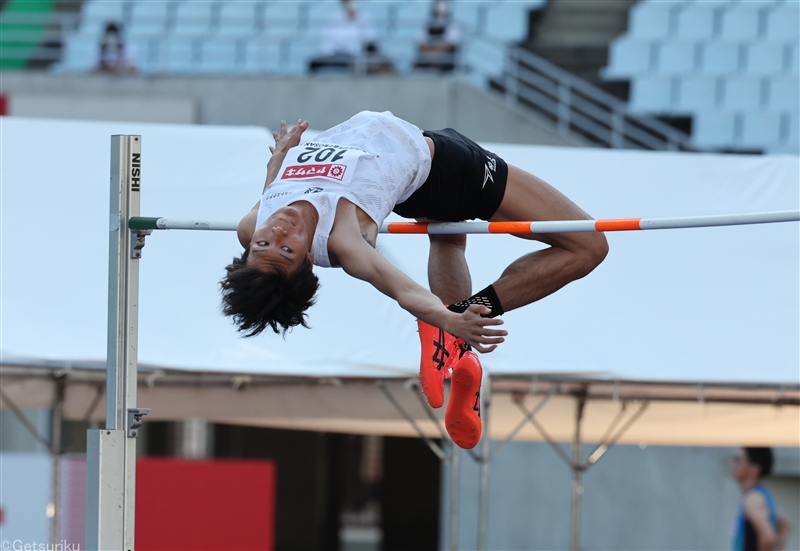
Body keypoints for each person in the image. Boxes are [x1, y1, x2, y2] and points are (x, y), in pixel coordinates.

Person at [221, 111, 608, 447]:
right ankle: (456, 332)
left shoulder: (251, 225)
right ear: (308, 260)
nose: (278, 230)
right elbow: (402, 289)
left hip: (411, 182)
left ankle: (455, 355)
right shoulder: (343, 239)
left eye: (264, 244)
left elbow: (272, 194)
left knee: (449, 238)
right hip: (451, 168)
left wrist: (279, 160)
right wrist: (451, 319)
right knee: (588, 246)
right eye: (286, 249)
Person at [730, 447, 792, 551]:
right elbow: (785, 527)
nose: (733, 464)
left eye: (738, 460)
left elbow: (768, 537)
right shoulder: (763, 495)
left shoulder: (752, 499)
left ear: (755, 469)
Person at [309, 0, 393, 75]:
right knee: (313, 62)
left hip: (354, 56)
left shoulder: (363, 19)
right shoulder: (334, 19)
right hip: (335, 54)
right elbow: (326, 41)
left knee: (362, 63)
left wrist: (357, 20)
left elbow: (369, 39)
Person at [414, 0, 460, 73]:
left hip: (444, 62)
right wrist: (430, 55)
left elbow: (447, 45)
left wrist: (434, 55)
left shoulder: (452, 26)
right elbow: (421, 44)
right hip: (427, 58)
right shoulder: (426, 25)